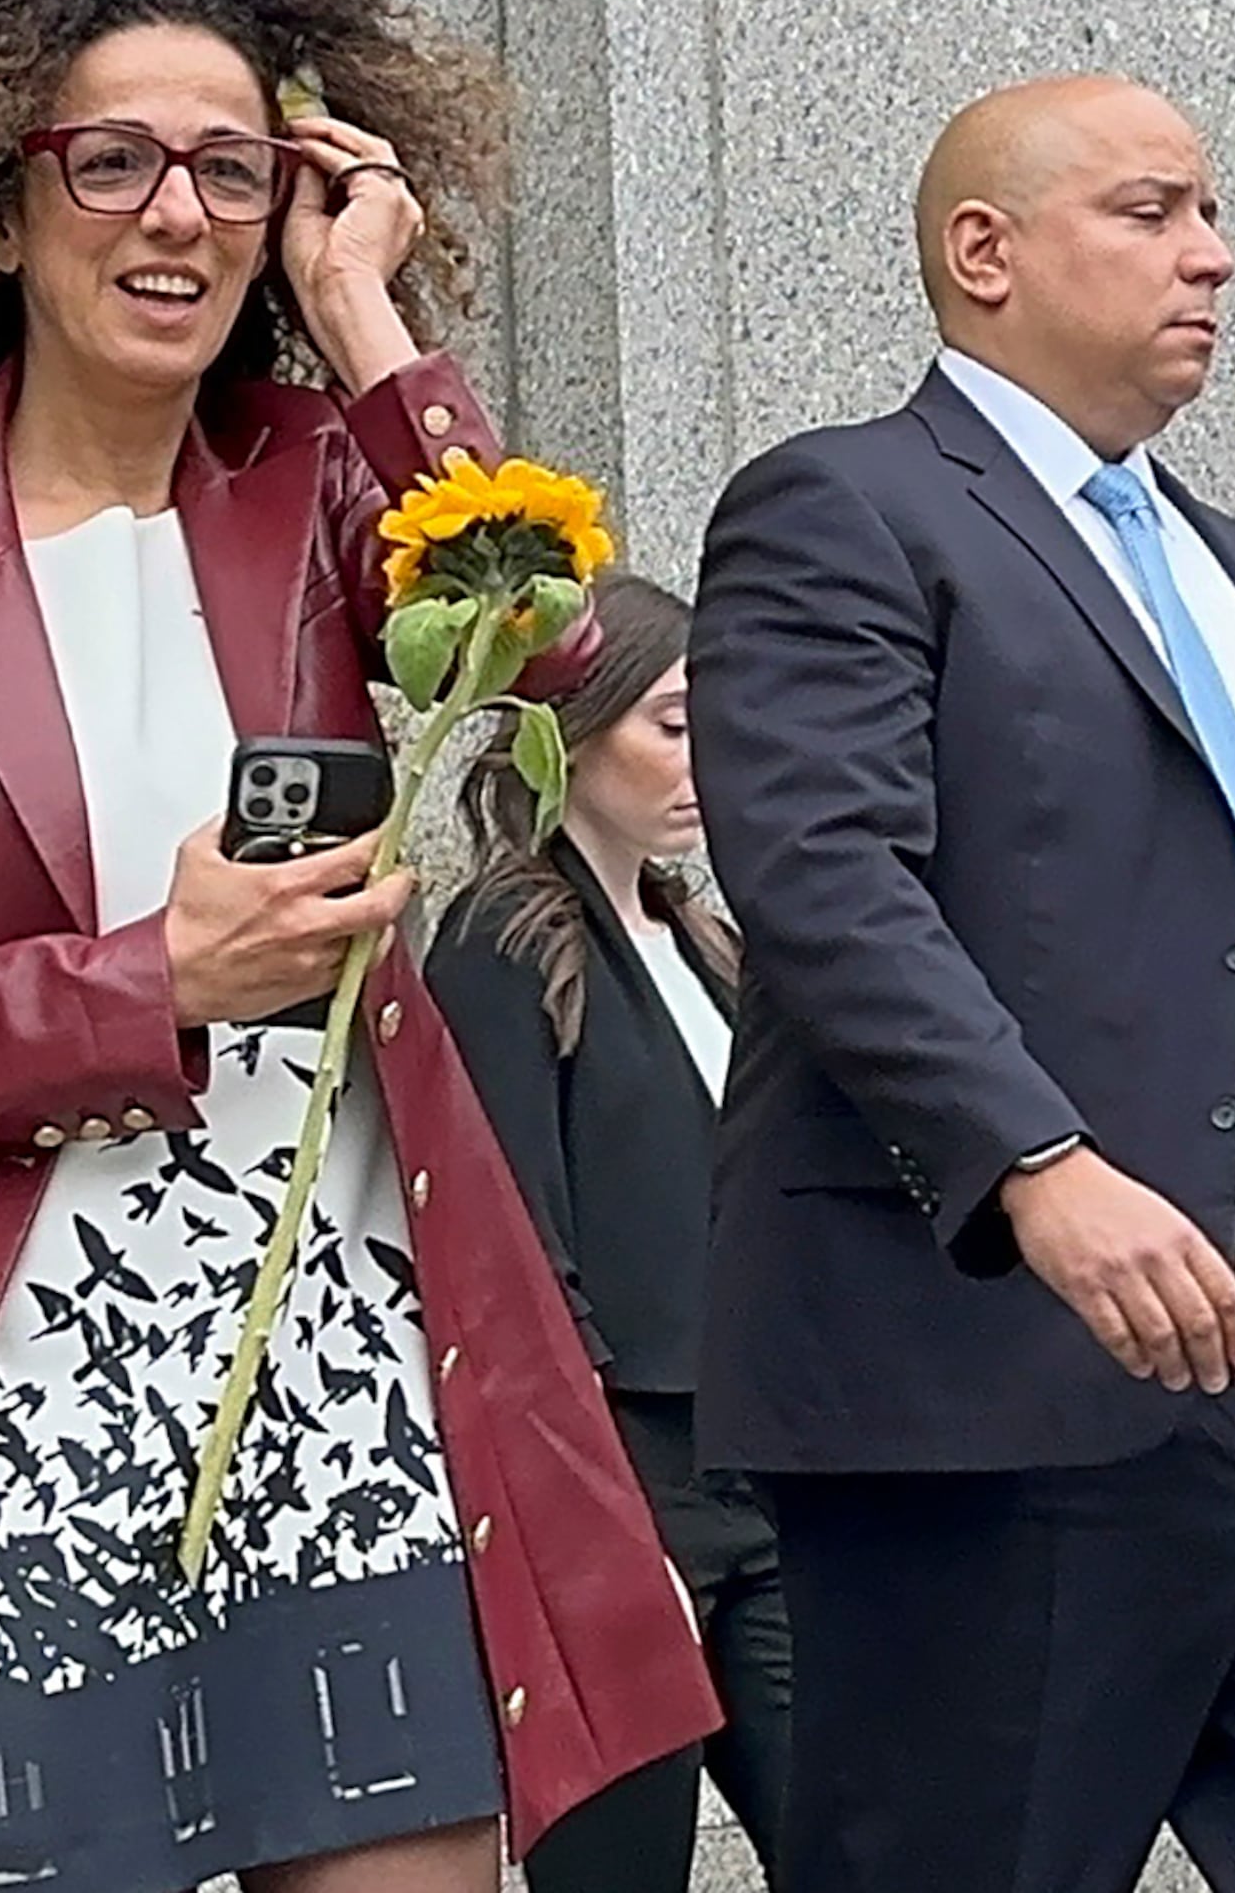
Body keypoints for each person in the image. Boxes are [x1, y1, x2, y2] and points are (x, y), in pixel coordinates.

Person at [0, 0, 713, 1893]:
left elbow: (546, 645)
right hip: (27, 1402)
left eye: (230, 169)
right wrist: (145, 986)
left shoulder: (324, 495)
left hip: (347, 1367)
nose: (175, 215)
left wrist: (369, 320)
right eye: (115, 160)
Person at [683, 74, 1235, 1893]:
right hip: (989, 1353)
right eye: (1151, 213)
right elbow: (825, 879)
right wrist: (1039, 1168)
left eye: (1214, 214)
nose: (1212, 257)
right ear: (982, 253)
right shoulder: (846, 508)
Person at [425, 573, 786, 1893]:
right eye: (677, 722)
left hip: (763, 1464)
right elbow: (512, 1245)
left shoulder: (709, 943)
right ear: (568, 731)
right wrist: (601, 1520)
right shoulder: (504, 939)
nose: (709, 757)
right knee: (622, 1863)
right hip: (620, 1471)